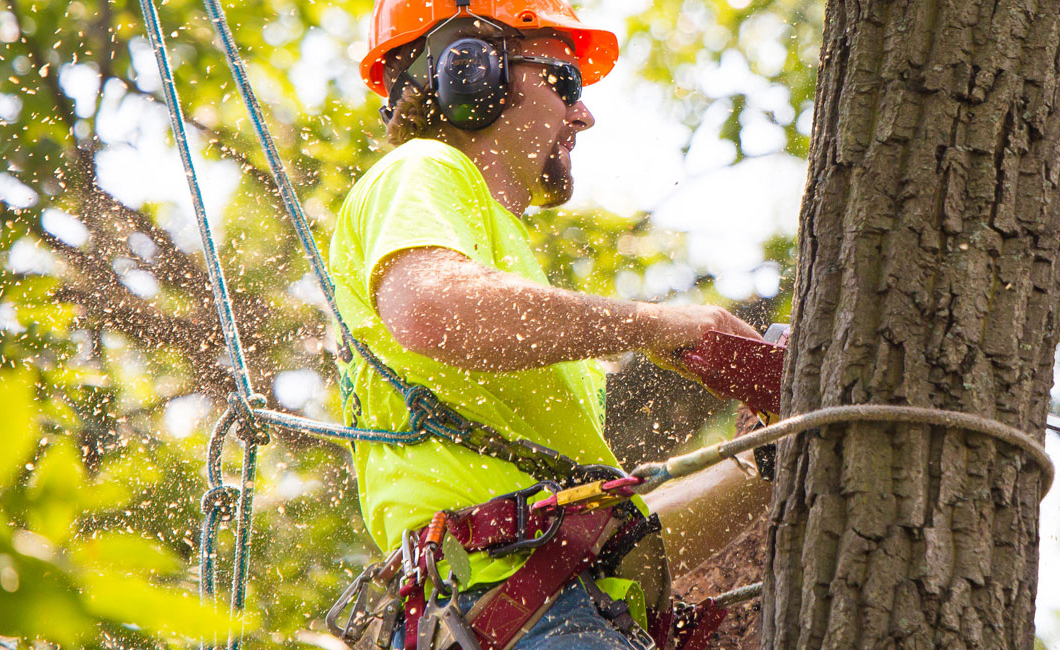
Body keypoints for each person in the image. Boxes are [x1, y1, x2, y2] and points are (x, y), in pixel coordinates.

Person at [326, 0, 769, 647]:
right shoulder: (423, 169)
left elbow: (612, 541)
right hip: (511, 611)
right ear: (470, 71)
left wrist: (764, 466)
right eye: (564, 82)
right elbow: (431, 309)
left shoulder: (506, 267)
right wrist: (662, 325)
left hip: (552, 609)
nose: (582, 114)